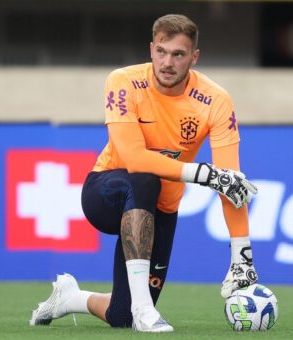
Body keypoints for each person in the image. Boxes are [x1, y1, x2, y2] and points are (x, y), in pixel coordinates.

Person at [29, 14, 259, 333]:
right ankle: (143, 309)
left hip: (162, 208)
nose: (167, 62)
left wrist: (241, 253)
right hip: (105, 194)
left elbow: (231, 183)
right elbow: (135, 159)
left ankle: (71, 298)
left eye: (178, 54)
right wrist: (206, 174)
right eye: (161, 51)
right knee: (144, 179)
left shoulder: (216, 100)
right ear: (151, 49)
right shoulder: (123, 81)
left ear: (194, 57)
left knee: (120, 317)